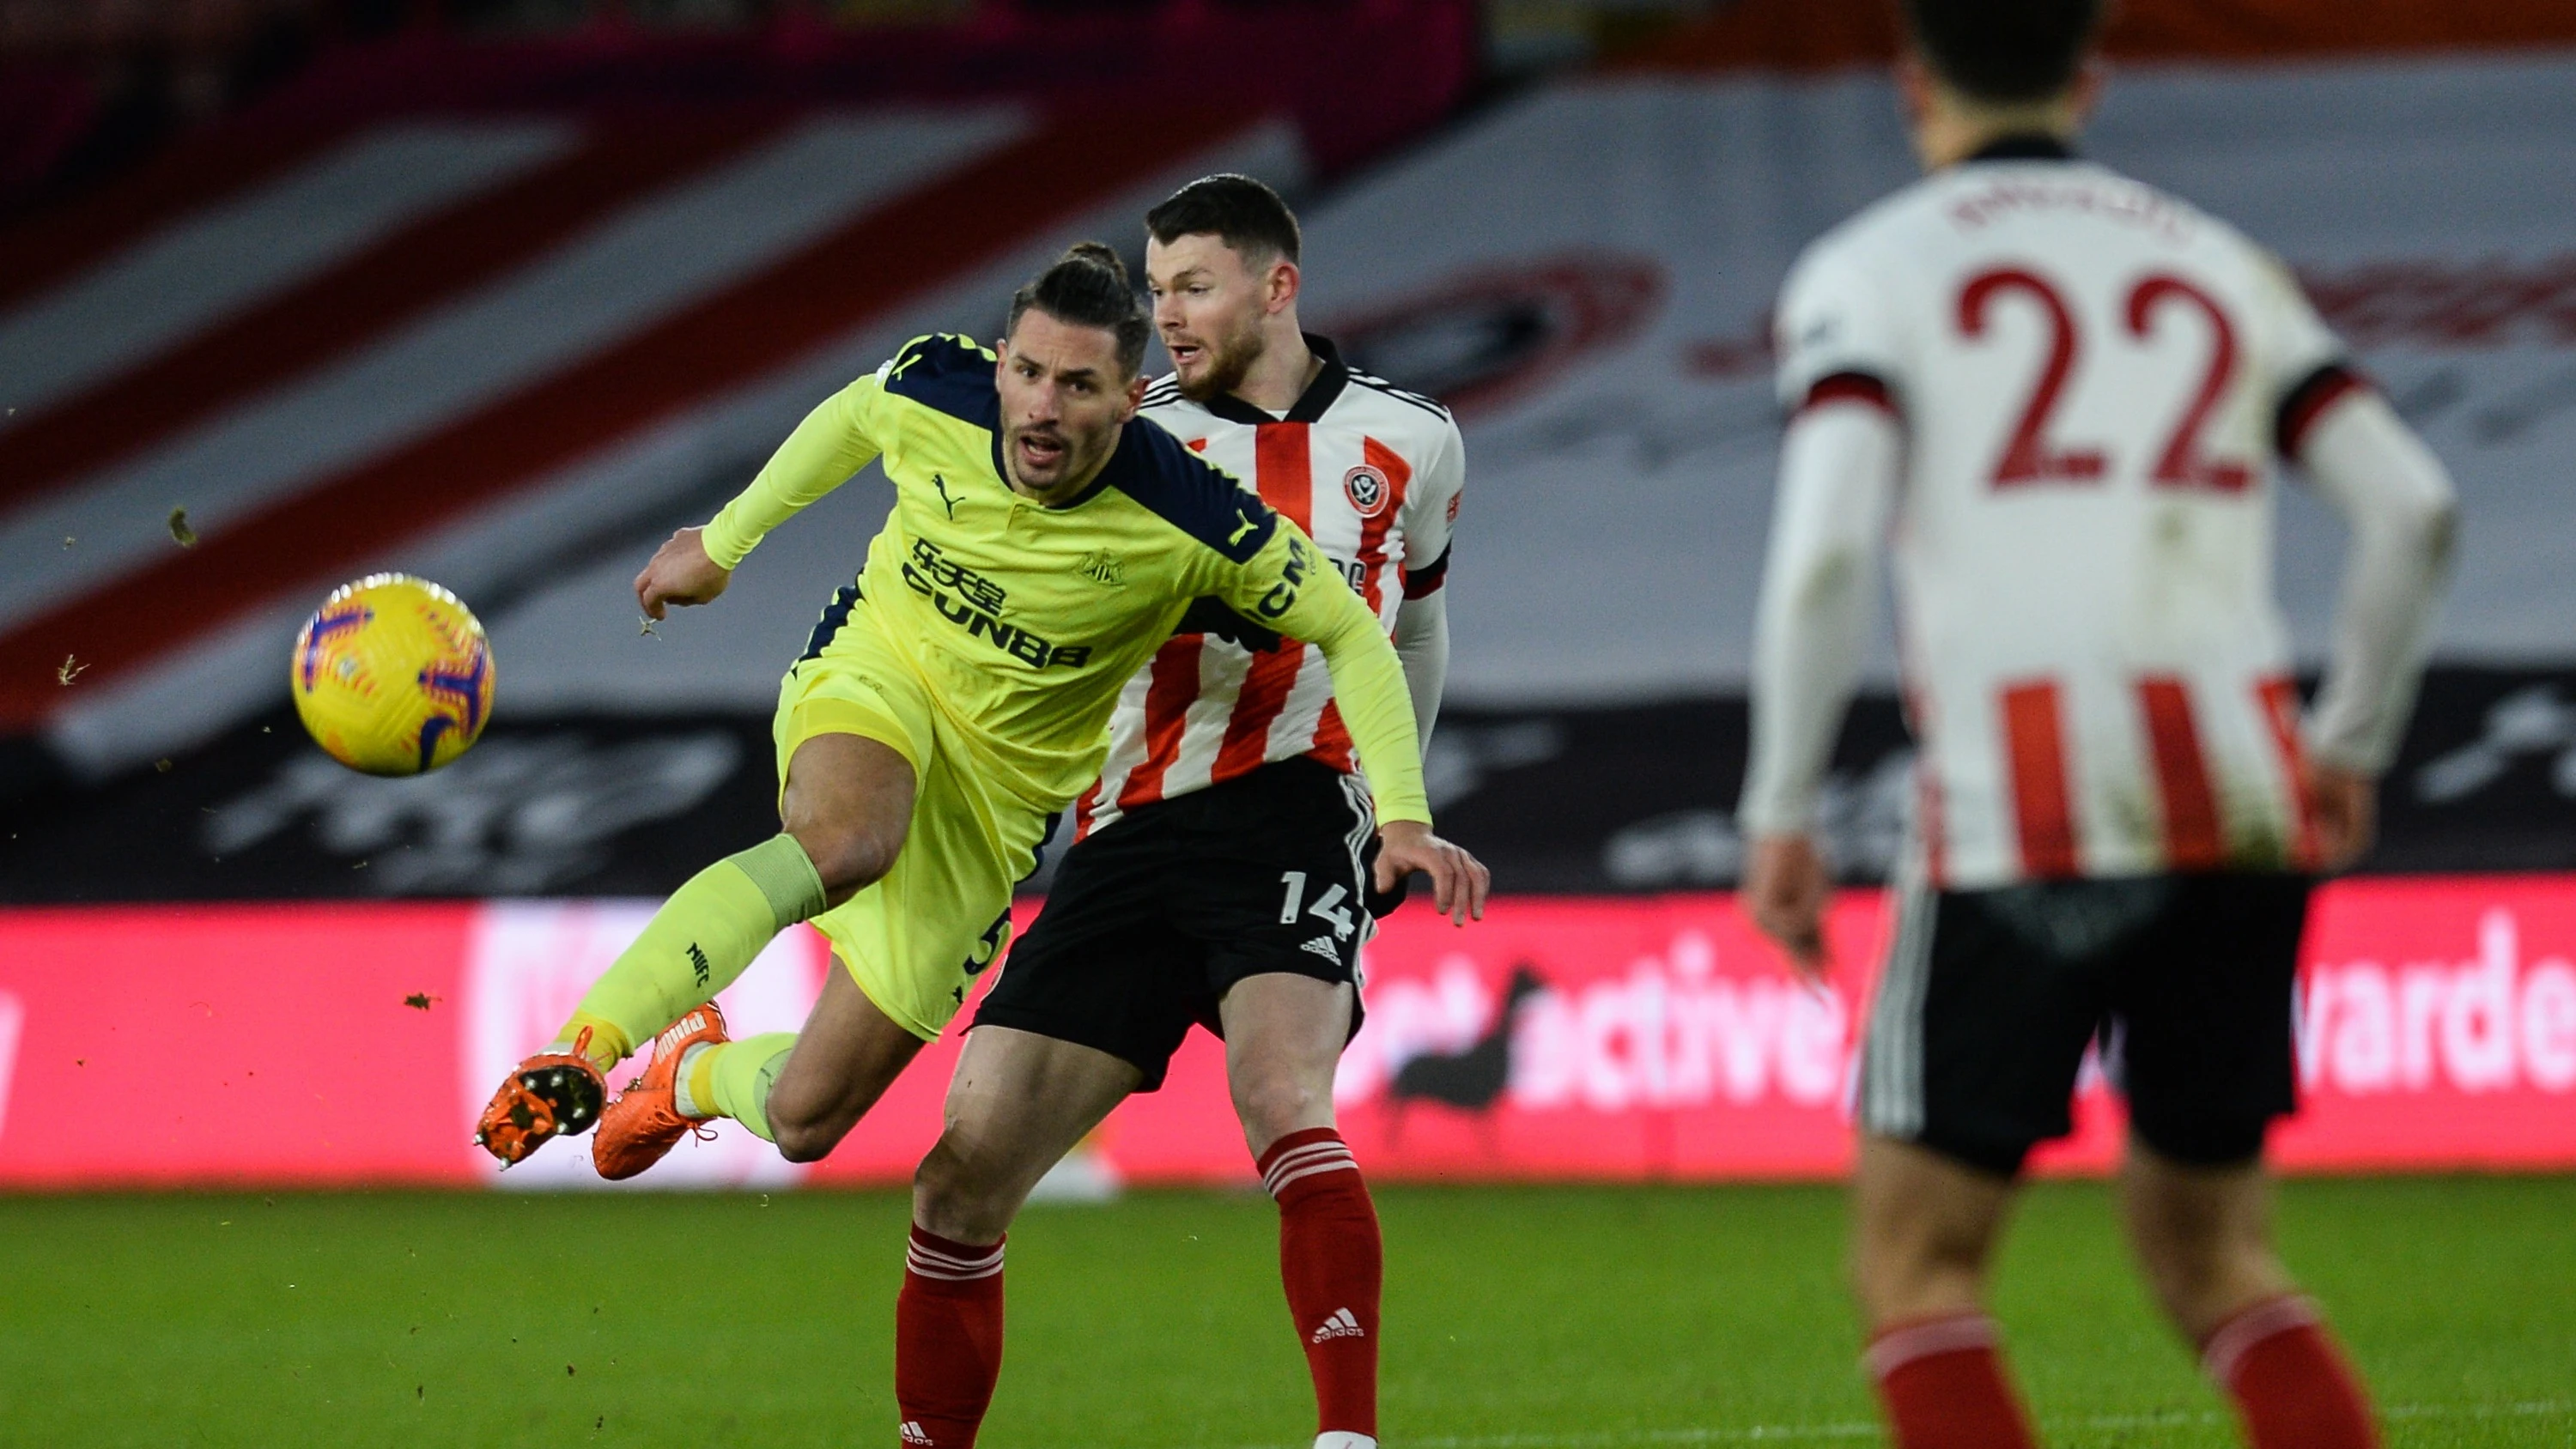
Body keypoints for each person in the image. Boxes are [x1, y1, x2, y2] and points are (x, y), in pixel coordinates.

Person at [1734, 3, 2457, 1446]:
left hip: (2029, 808)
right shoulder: (2213, 258)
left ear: (1911, 86)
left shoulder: (1872, 269)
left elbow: (1824, 553)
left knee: (1916, 1265)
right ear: (2091, 76)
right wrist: (2352, 741)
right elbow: (2413, 507)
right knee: (2214, 1253)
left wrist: (1782, 807)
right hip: (2243, 794)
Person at [471, 245, 1459, 1222]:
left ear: (1131, 397)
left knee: (805, 1115)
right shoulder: (934, 387)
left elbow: (1351, 633)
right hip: (880, 676)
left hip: (997, 806)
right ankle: (585, 1048)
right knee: (849, 838)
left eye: (1078, 385)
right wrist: (722, 542)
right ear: (999, 362)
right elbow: (854, 414)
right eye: (1026, 372)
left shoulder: (1193, 517)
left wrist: (1402, 816)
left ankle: (693, 1071)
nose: (1041, 406)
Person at [890, 175, 1487, 1449]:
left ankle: (1346, 1440)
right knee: (962, 1171)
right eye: (1155, 290)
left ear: (1280, 286)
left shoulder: (1411, 439)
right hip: (1125, 824)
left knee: (1281, 1093)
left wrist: (1397, 806)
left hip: (1293, 804)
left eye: (1194, 286)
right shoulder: (1126, 435)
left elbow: (1417, 628)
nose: (1167, 315)